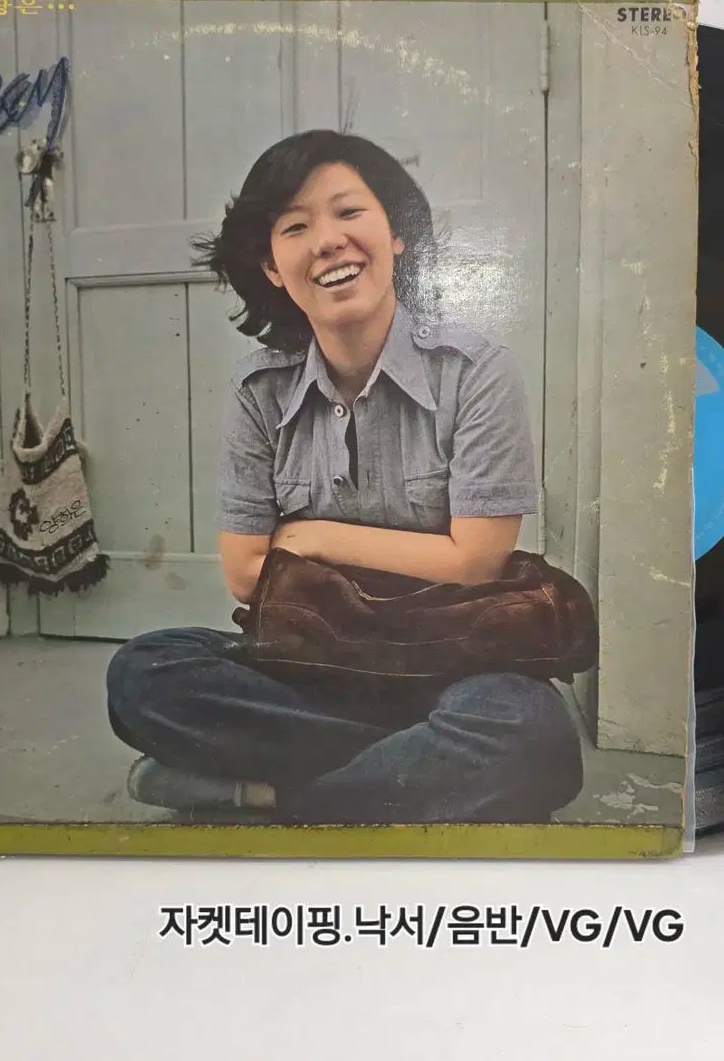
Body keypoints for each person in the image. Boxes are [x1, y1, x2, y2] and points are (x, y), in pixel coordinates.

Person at [106, 130, 583, 823]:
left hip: (453, 662)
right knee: (143, 674)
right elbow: (245, 574)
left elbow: (477, 562)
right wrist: (422, 555)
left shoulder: (476, 371)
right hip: (312, 662)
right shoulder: (258, 391)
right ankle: (410, 771)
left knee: (528, 730)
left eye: (349, 211)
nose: (328, 241)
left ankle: (275, 797)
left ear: (397, 235)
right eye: (295, 227)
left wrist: (315, 538)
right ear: (272, 267)